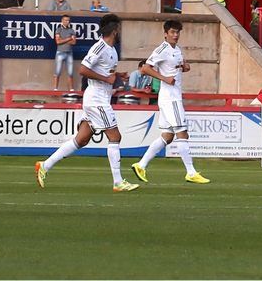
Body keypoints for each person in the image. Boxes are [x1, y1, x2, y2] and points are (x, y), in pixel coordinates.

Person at [35, 13, 137, 192]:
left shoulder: (112, 50)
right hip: (97, 99)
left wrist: (117, 76)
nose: (120, 31)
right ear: (114, 30)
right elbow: (83, 69)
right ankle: (118, 182)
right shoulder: (99, 48)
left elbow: (106, 73)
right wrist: (106, 78)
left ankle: (45, 165)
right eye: (119, 28)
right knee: (115, 137)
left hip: (98, 98)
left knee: (81, 140)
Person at [130, 19, 209, 185]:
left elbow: (179, 67)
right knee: (182, 133)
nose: (176, 35)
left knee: (168, 135)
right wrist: (164, 78)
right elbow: (145, 68)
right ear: (165, 34)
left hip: (170, 97)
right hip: (170, 98)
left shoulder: (177, 50)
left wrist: (185, 66)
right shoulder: (162, 49)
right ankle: (191, 172)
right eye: (172, 32)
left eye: (177, 32)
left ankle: (141, 164)